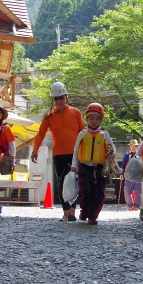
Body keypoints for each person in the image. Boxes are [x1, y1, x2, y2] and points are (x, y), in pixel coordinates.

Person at [31, 82, 85, 222]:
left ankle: (72, 211)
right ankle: (66, 211)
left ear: (66, 96)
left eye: (61, 97)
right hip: (57, 154)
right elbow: (41, 133)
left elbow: (83, 133)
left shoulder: (75, 112)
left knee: (72, 181)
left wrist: (85, 151)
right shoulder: (48, 116)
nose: (59, 101)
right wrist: (35, 150)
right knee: (61, 183)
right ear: (53, 100)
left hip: (74, 154)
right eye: (56, 98)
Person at [70, 103, 115, 225]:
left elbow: (112, 148)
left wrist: (111, 156)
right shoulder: (82, 134)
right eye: (91, 118)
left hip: (101, 168)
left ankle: (92, 216)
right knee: (85, 191)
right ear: (87, 119)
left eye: (97, 119)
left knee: (99, 193)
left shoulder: (105, 134)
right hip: (85, 167)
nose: (94, 121)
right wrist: (73, 166)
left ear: (100, 120)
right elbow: (76, 150)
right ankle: (84, 211)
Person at [120, 139, 142, 211]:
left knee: (138, 192)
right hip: (128, 176)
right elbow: (123, 165)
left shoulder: (140, 155)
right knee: (127, 191)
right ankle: (129, 205)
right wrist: (121, 173)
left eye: (134, 146)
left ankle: (137, 206)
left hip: (138, 176)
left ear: (137, 146)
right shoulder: (127, 155)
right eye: (131, 145)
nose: (133, 147)